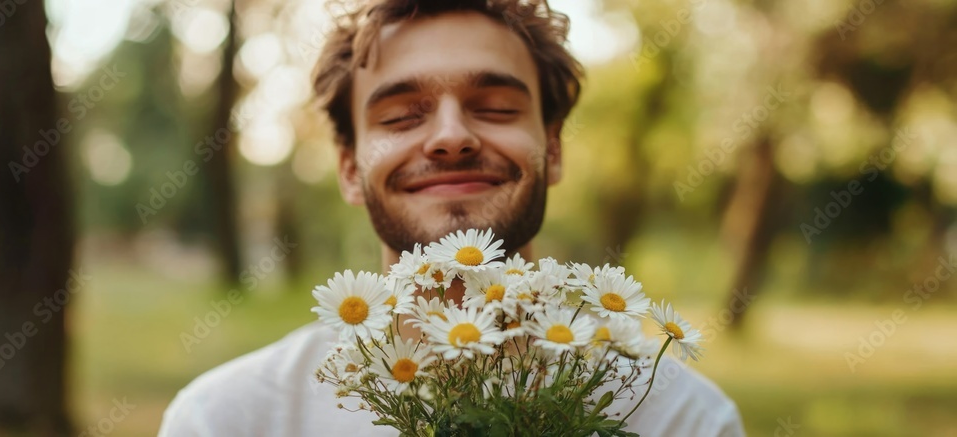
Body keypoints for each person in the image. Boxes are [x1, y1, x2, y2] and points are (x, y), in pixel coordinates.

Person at [159, 1, 745, 435]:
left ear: (555, 149)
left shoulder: (685, 421)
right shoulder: (226, 420)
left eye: (494, 107)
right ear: (347, 167)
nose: (451, 137)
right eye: (399, 117)